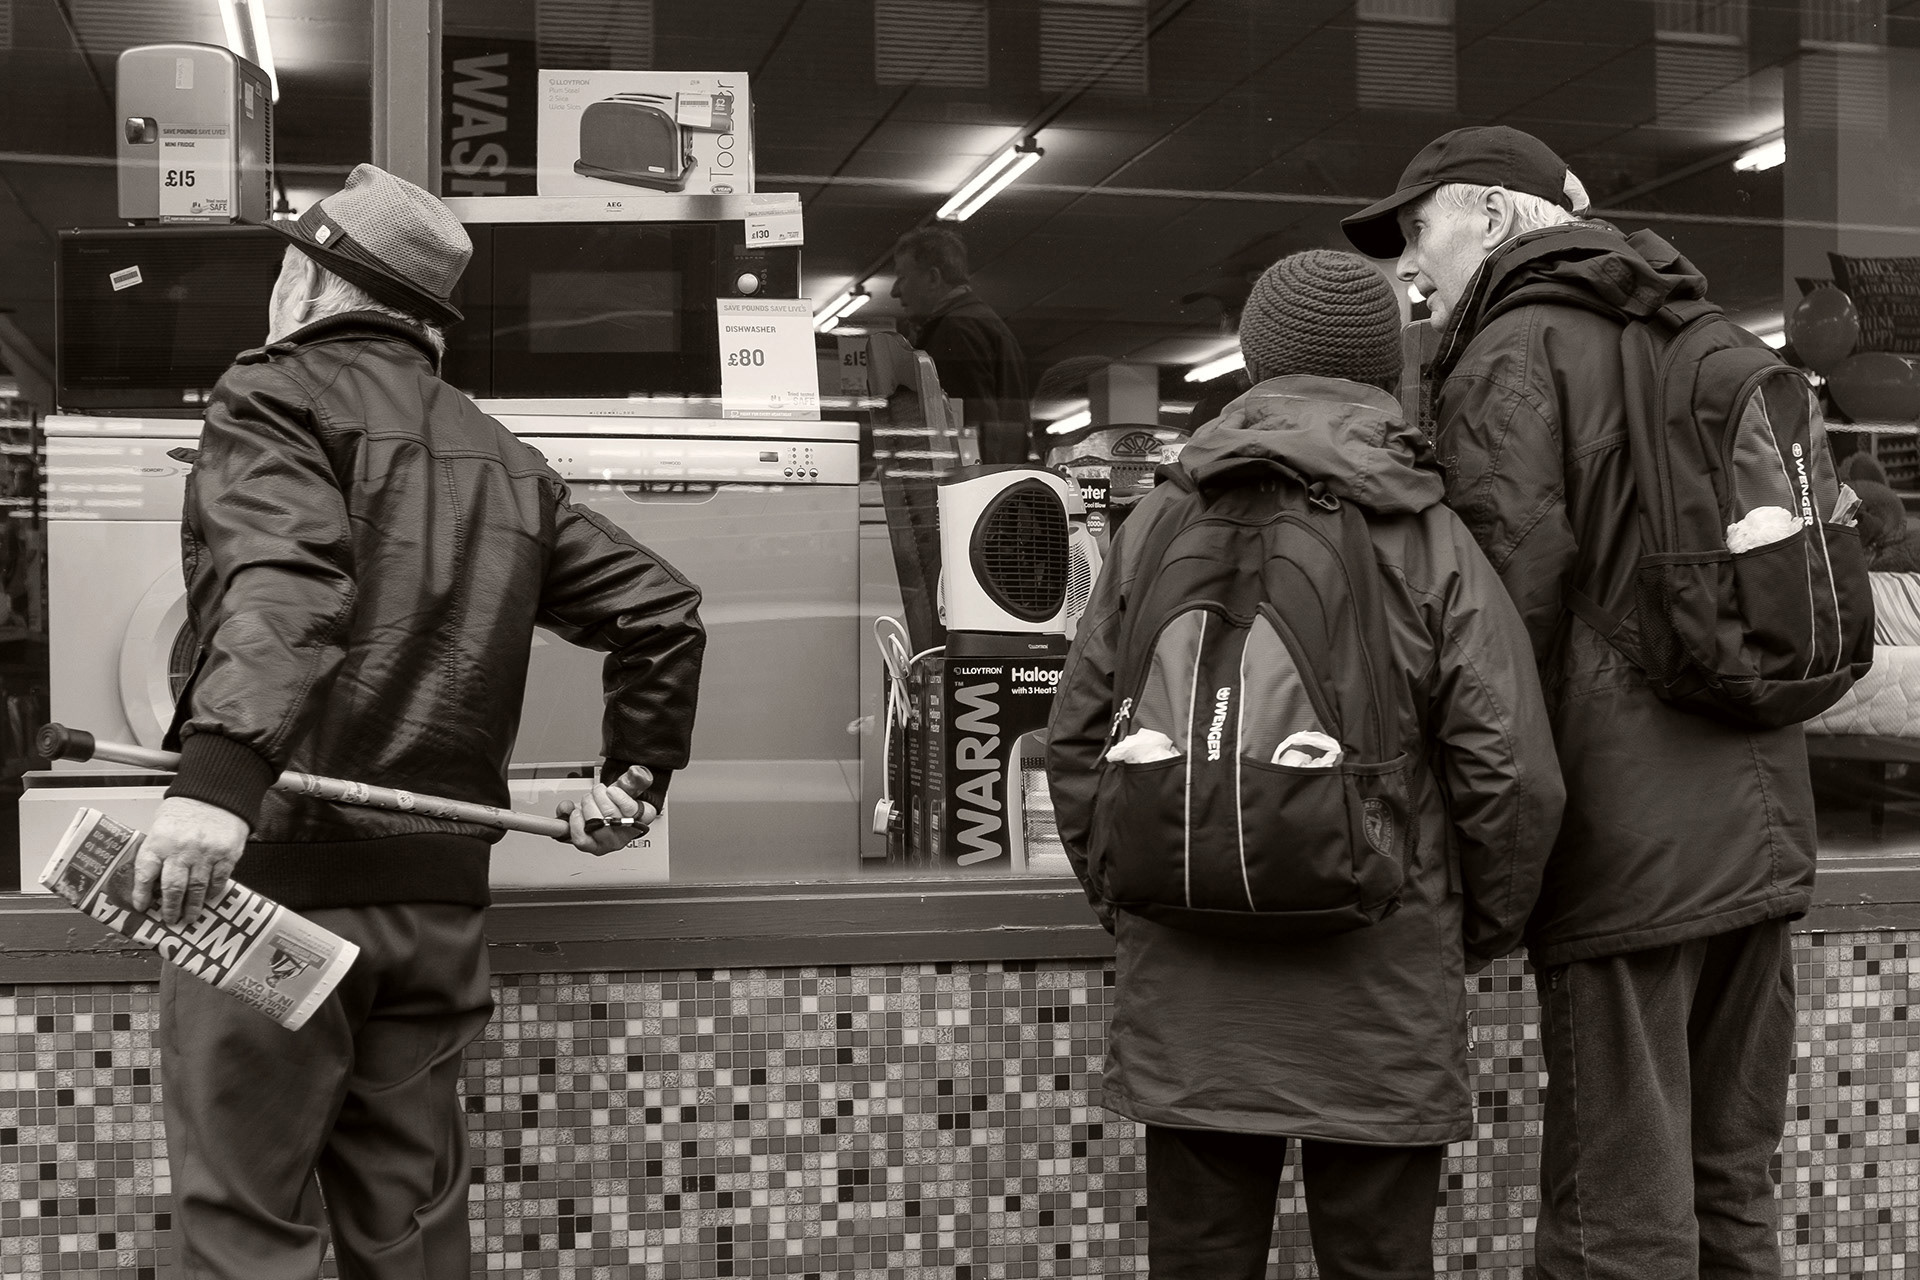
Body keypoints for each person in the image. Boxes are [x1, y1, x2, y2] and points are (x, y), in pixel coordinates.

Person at [128, 164, 705, 1280]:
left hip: (275, 889)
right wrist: (633, 781)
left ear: (310, 281)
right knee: (410, 1227)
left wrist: (215, 783)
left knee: (250, 1228)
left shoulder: (273, 392)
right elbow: (662, 612)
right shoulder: (503, 456)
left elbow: (287, 583)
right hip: (433, 909)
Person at [1342, 125, 1817, 1278]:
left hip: (1626, 848)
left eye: (1419, 231)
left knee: (1620, 1218)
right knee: (1731, 1195)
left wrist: (1469, 847)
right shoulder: (1696, 330)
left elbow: (1498, 628)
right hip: (1760, 822)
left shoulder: (1513, 349)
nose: (1410, 267)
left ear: (1496, 218)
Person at [1047, 249, 1564, 1279]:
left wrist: (1139, 891)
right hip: (1378, 987)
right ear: (1388, 368)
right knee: (1378, 1260)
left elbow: (1077, 738)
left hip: (1188, 994)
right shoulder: (1426, 533)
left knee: (1199, 1259)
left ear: (1250, 363)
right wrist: (1467, 925)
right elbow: (1508, 770)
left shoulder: (1155, 524)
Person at [890, 226, 1032, 463]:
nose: (895, 291)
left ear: (933, 278)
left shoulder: (955, 332)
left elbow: (973, 430)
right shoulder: (982, 323)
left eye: (902, 277)